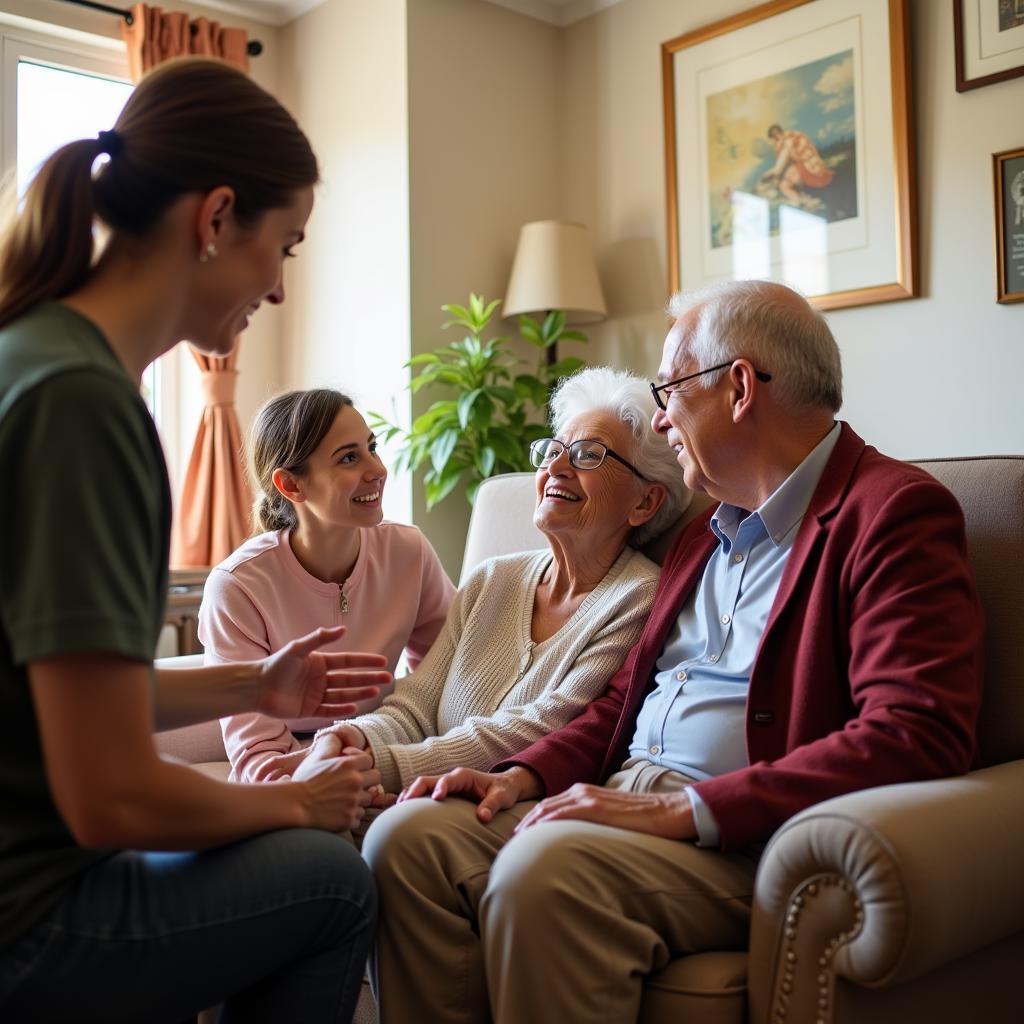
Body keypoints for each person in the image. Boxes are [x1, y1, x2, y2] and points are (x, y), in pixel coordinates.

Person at [362, 280, 984, 1024]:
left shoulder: (889, 513)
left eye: (670, 390)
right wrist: (521, 776)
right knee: (408, 838)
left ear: (740, 388)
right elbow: (623, 702)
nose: (661, 417)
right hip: (628, 800)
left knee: (547, 871)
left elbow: (917, 731)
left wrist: (682, 811)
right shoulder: (702, 533)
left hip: (744, 837)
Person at [0, 58, 390, 1023]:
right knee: (330, 880)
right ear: (215, 219)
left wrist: (249, 688)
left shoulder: (31, 355)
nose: (282, 291)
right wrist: (299, 805)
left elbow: (48, 692)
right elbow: (110, 799)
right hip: (27, 919)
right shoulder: (82, 406)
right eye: (286, 248)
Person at [306, 366, 692, 797]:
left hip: (506, 805)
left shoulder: (638, 598)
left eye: (588, 455)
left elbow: (541, 727)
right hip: (418, 790)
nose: (557, 467)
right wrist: (354, 738)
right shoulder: (493, 578)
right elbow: (414, 707)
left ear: (644, 501)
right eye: (553, 450)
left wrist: (382, 766)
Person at [201, 387, 455, 783]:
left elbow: (448, 675)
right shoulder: (238, 587)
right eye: (349, 457)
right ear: (291, 485)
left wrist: (392, 762)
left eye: (372, 447)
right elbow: (259, 753)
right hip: (292, 768)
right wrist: (325, 783)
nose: (378, 469)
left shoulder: (408, 551)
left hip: (381, 746)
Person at [761, 123, 834, 210]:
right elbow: (783, 163)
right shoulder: (782, 142)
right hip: (799, 167)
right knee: (783, 185)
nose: (774, 140)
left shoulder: (788, 140)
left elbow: (778, 168)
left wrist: (771, 174)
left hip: (807, 167)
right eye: (773, 138)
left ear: (777, 134)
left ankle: (804, 201)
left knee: (785, 184)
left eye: (774, 137)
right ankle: (800, 201)